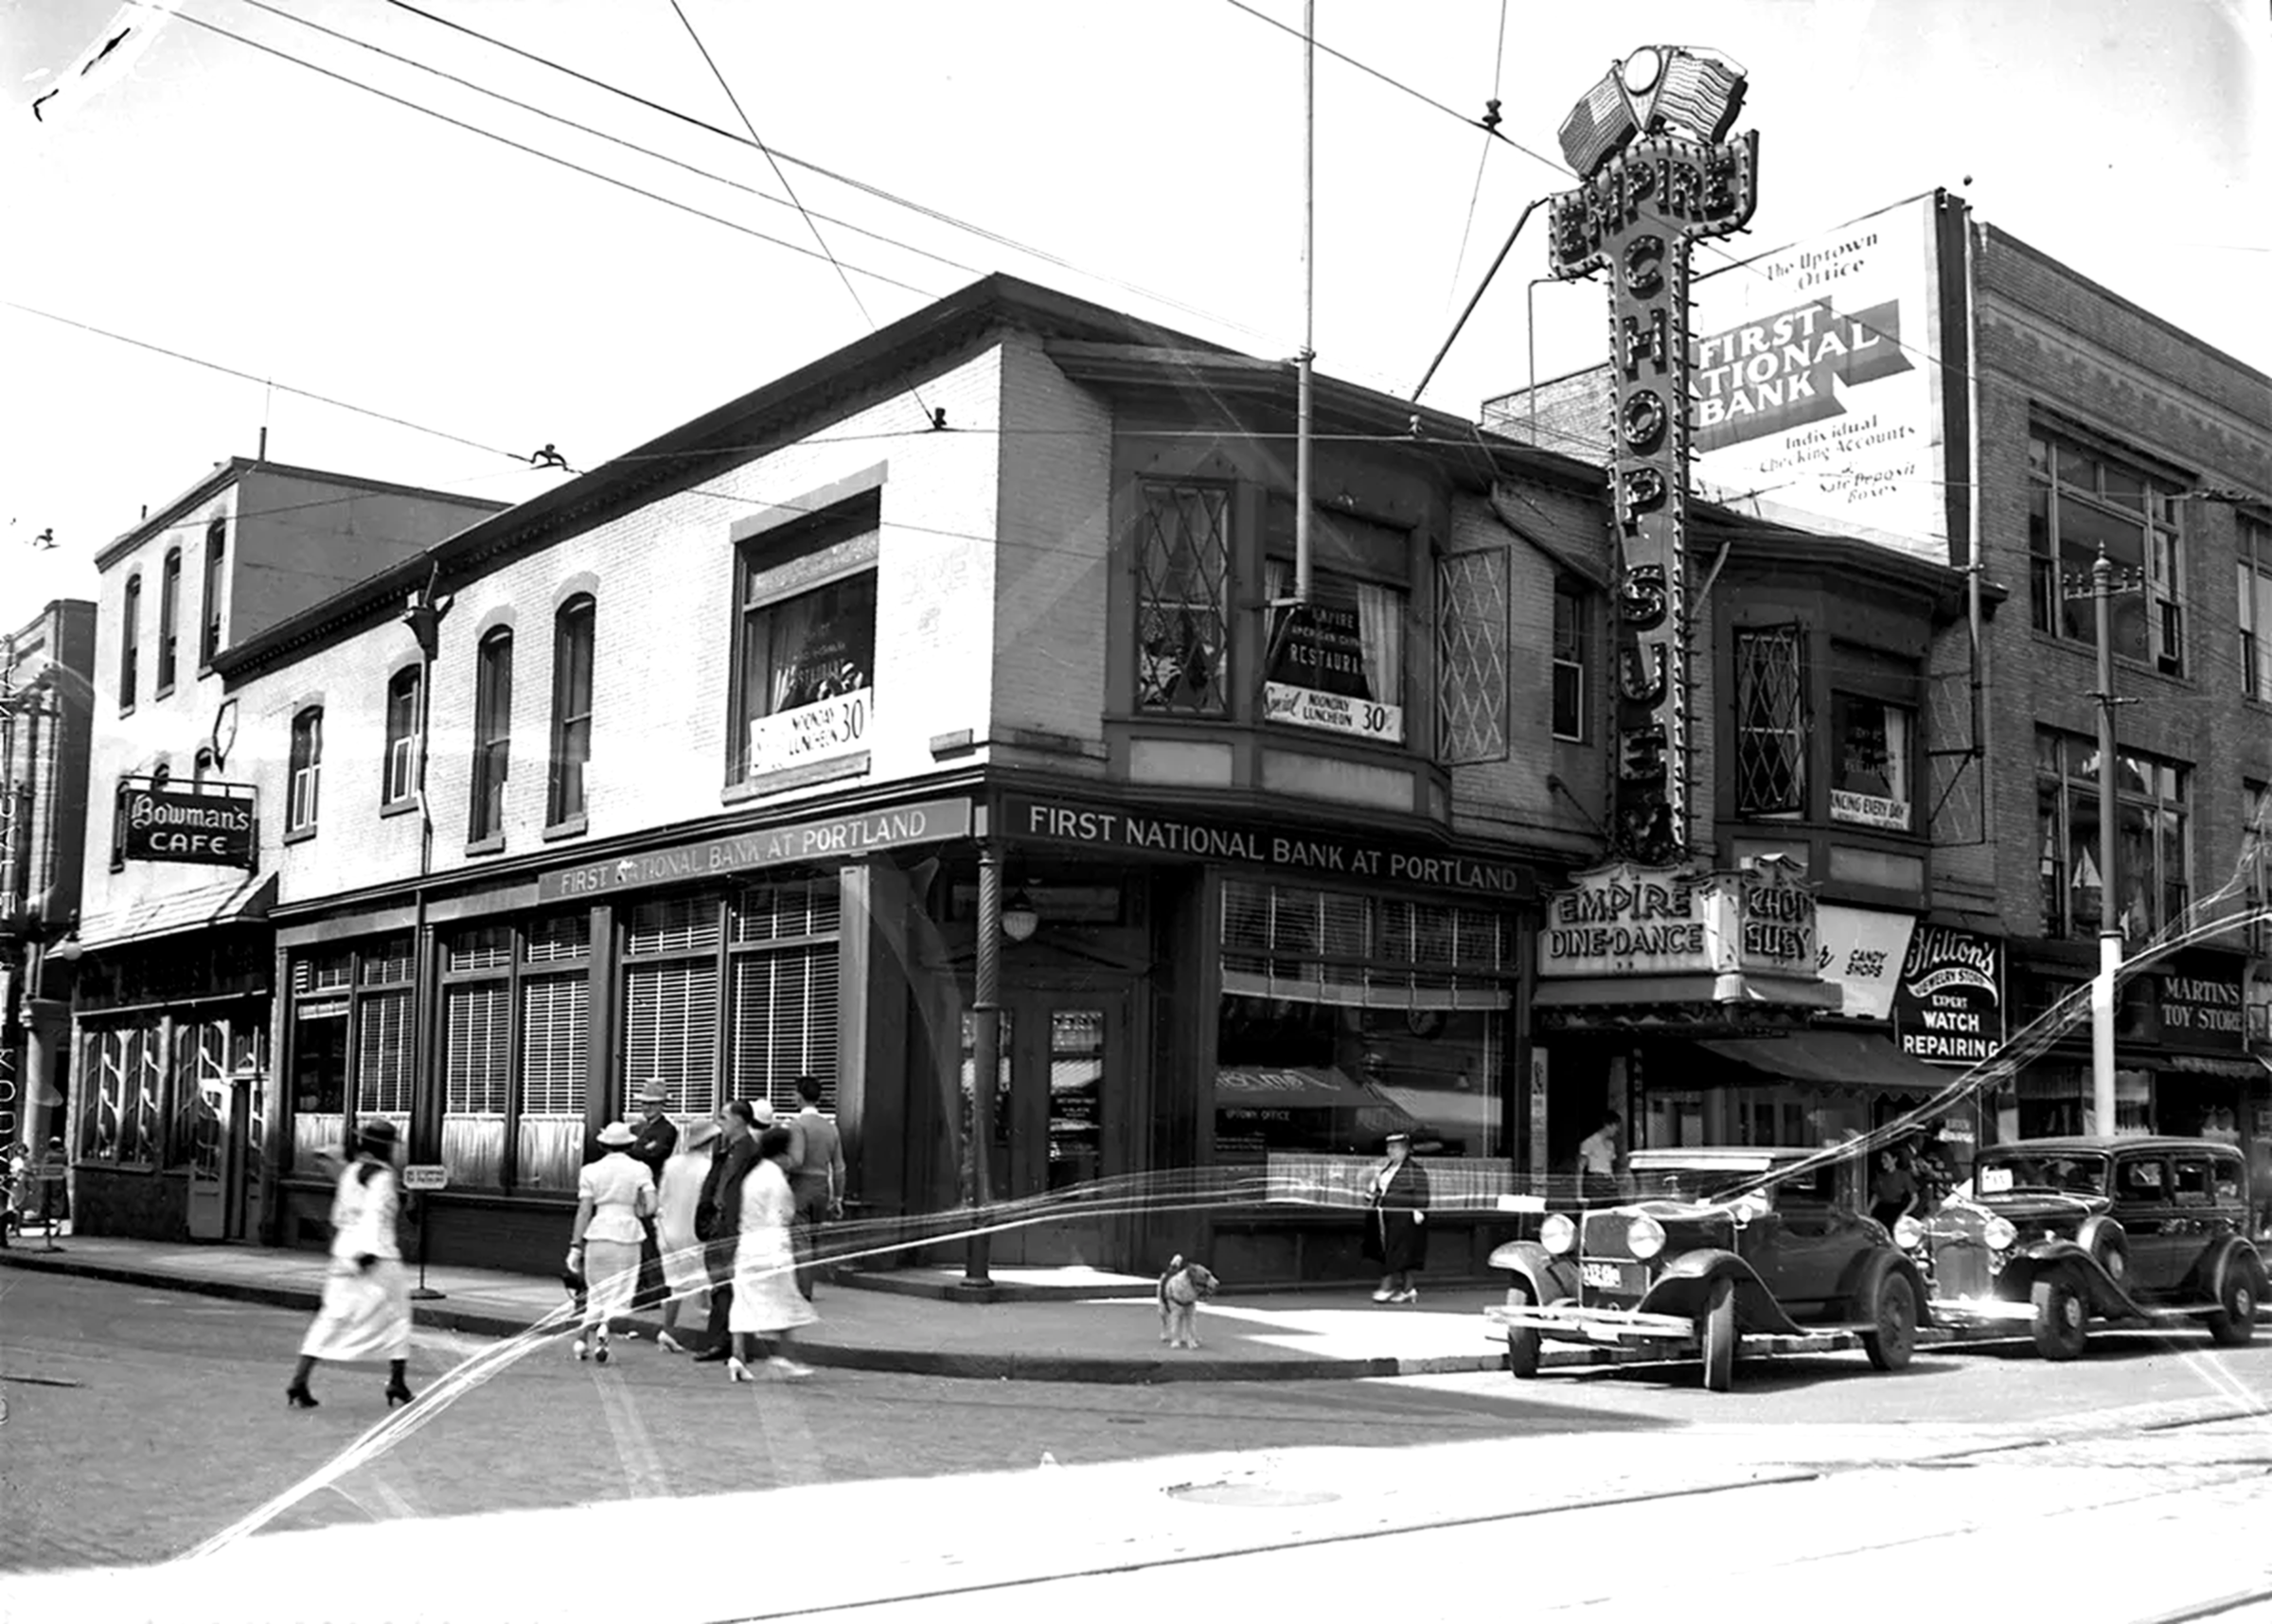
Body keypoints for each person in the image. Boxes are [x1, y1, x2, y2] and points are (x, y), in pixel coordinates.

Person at [286, 1120, 414, 1410]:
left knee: (332, 1317)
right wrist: (369, 1251)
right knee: (398, 1315)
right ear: (386, 1149)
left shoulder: (350, 1172)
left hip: (344, 1251)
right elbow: (376, 1214)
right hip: (377, 1256)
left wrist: (350, 1247)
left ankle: (299, 1380)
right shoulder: (383, 1177)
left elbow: (339, 1215)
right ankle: (397, 1381)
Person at [727, 1125, 817, 1380]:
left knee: (743, 1303)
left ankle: (737, 1356)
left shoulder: (754, 1176)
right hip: (770, 1249)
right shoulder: (776, 1180)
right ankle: (784, 1356)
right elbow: (776, 1220)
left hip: (747, 1246)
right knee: (784, 1302)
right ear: (783, 1152)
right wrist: (780, 1257)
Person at [567, 1121, 656, 1365]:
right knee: (621, 1291)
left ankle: (581, 1339)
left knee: (596, 1292)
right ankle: (605, 1327)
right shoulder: (641, 1169)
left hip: (598, 1233)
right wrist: (638, 1210)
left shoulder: (590, 1171)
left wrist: (575, 1246)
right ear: (629, 1145)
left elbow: (584, 1210)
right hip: (628, 1234)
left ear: (604, 1145)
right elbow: (651, 1206)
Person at [692, 1101, 761, 1364]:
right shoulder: (727, 1152)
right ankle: (721, 1341)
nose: (719, 1122)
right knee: (720, 1285)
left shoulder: (751, 1153)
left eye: (724, 1117)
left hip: (734, 1226)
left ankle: (733, 1344)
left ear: (740, 1120)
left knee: (732, 1284)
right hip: (718, 1226)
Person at [654, 1117, 719, 1353]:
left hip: (669, 1232)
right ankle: (714, 1332)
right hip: (695, 1233)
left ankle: (668, 1329)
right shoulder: (708, 1168)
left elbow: (661, 1198)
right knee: (710, 1278)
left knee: (676, 1285)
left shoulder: (672, 1164)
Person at [787, 1075, 845, 1301]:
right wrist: (838, 1197)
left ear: (800, 1097)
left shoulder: (797, 1125)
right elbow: (839, 1167)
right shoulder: (831, 1128)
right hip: (822, 1188)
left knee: (800, 1240)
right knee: (813, 1239)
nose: (793, 1096)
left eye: (794, 1093)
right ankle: (807, 1284)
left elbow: (796, 1160)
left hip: (801, 1187)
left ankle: (803, 1291)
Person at [626, 1078, 679, 1315]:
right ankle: (641, 1291)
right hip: (633, 1190)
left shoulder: (667, 1129)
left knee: (650, 1243)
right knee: (637, 1243)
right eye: (644, 1103)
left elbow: (655, 1154)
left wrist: (632, 1150)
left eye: (652, 1103)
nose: (647, 1107)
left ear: (662, 1105)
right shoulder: (637, 1129)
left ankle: (655, 1292)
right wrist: (637, 1150)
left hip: (652, 1191)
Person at [1361, 1132, 1430, 1305]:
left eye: (1394, 1148)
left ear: (1405, 1150)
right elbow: (1379, 1189)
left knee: (1396, 1251)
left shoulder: (1414, 1171)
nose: (1390, 1151)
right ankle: (1408, 1290)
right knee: (1393, 1252)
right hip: (1383, 1216)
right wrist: (1371, 1193)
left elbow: (1422, 1193)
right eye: (1389, 1147)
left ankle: (1387, 1287)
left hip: (1403, 1218)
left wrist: (1419, 1210)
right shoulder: (1386, 1168)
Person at [1869, 1141, 1919, 1232]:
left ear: (1894, 1160)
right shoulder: (1880, 1177)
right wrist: (1868, 1211)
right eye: (1881, 1158)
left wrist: (1905, 1213)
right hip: (1880, 1211)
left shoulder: (1903, 1176)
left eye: (1885, 1158)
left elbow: (1915, 1198)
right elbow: (1876, 1196)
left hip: (1896, 1211)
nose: (1882, 1161)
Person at [1576, 1111, 1623, 1205]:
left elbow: (1610, 1164)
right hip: (1595, 1180)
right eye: (1615, 1126)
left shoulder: (1611, 1144)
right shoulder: (1589, 1142)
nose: (1617, 1129)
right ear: (1607, 1125)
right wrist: (1579, 1195)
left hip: (1609, 1180)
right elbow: (1580, 1169)